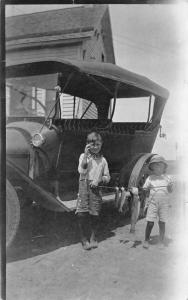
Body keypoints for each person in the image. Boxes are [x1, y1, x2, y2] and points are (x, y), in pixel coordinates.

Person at [76, 131, 110, 250]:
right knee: (82, 213)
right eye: (93, 145)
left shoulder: (103, 160)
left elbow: (107, 177)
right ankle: (83, 238)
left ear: (101, 145)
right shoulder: (83, 157)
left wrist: (99, 180)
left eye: (98, 145)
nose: (95, 147)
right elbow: (82, 170)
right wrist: (86, 155)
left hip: (96, 189)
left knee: (94, 213)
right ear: (87, 145)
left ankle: (93, 237)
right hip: (84, 186)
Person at [141, 155, 173, 249]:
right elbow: (144, 189)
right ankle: (146, 240)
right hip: (152, 202)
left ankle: (161, 241)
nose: (158, 168)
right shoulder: (150, 178)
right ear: (152, 168)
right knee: (150, 222)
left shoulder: (167, 178)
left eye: (160, 166)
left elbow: (171, 191)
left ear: (164, 167)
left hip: (164, 204)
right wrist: (143, 190)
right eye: (156, 166)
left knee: (162, 222)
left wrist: (170, 187)